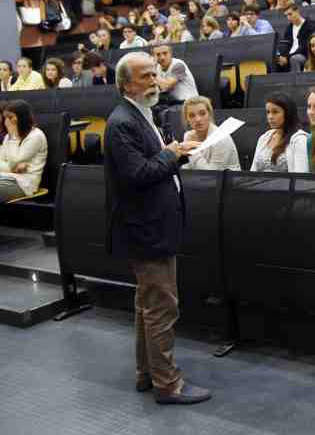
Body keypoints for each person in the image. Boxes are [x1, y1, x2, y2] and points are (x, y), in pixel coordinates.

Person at [103, 51, 211, 405]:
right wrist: (174, 153)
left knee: (147, 305)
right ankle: (168, 384)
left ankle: (146, 373)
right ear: (125, 85)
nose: (153, 81)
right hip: (146, 228)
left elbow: (148, 162)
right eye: (145, 77)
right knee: (163, 307)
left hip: (153, 224)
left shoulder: (140, 114)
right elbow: (139, 174)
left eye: (154, 74)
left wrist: (170, 151)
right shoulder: (122, 123)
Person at [0, 100, 48, 202]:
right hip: (7, 177)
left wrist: (13, 137)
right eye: (5, 118)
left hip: (25, 183)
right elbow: (3, 162)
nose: (6, 122)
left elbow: (14, 161)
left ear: (22, 117)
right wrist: (11, 168)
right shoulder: (8, 137)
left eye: (10, 117)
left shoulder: (36, 136)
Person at [180, 96, 242, 171]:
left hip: (225, 181)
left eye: (202, 113)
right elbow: (186, 169)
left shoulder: (221, 138)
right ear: (187, 119)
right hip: (198, 180)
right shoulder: (188, 136)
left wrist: (193, 151)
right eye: (192, 115)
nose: (198, 119)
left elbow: (211, 174)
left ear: (209, 114)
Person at [250, 91, 307, 172]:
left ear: (288, 113)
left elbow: (301, 177)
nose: (270, 117)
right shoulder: (264, 138)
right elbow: (252, 171)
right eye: (268, 112)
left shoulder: (299, 140)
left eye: (275, 112)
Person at [276, 5, 315, 73]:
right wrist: (282, 56)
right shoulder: (289, 28)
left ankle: (296, 82)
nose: (288, 18)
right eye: (286, 16)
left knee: (295, 58)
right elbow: (286, 45)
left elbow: (305, 47)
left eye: (290, 14)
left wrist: (287, 58)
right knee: (276, 61)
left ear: (297, 11)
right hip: (289, 55)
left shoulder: (310, 25)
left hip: (305, 55)